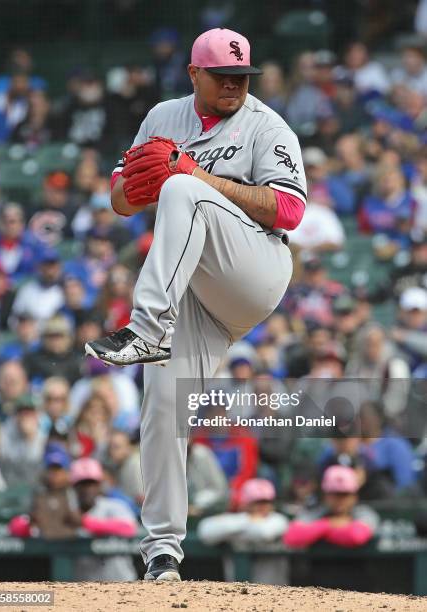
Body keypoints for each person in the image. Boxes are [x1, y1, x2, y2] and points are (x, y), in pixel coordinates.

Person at [85, 28, 306, 581]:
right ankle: (162, 551)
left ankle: (145, 325)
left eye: (242, 76)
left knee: (185, 190)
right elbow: (118, 198)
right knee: (162, 401)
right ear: (194, 75)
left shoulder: (266, 125)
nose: (234, 84)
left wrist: (193, 176)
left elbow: (288, 210)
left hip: (253, 270)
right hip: (194, 293)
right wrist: (142, 186)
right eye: (223, 75)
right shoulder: (162, 116)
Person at [198, 478, 289, 584]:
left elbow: (264, 532)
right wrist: (246, 520)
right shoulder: (239, 520)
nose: (263, 506)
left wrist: (235, 529)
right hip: (238, 590)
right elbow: (204, 531)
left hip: (275, 590)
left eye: (266, 502)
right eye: (257, 502)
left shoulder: (278, 519)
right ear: (246, 503)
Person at [70, 457, 138, 581]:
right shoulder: (69, 513)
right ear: (74, 487)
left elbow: (129, 528)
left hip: (122, 585)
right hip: (84, 589)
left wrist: (86, 523)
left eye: (91, 483)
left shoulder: (114, 506)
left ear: (99, 485)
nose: (87, 489)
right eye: (82, 484)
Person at [283, 465, 380, 548]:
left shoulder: (364, 512)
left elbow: (356, 536)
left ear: (354, 496)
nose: (339, 499)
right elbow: (292, 537)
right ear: (325, 495)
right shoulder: (317, 512)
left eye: (344, 494)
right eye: (334, 494)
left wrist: (315, 531)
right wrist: (328, 524)